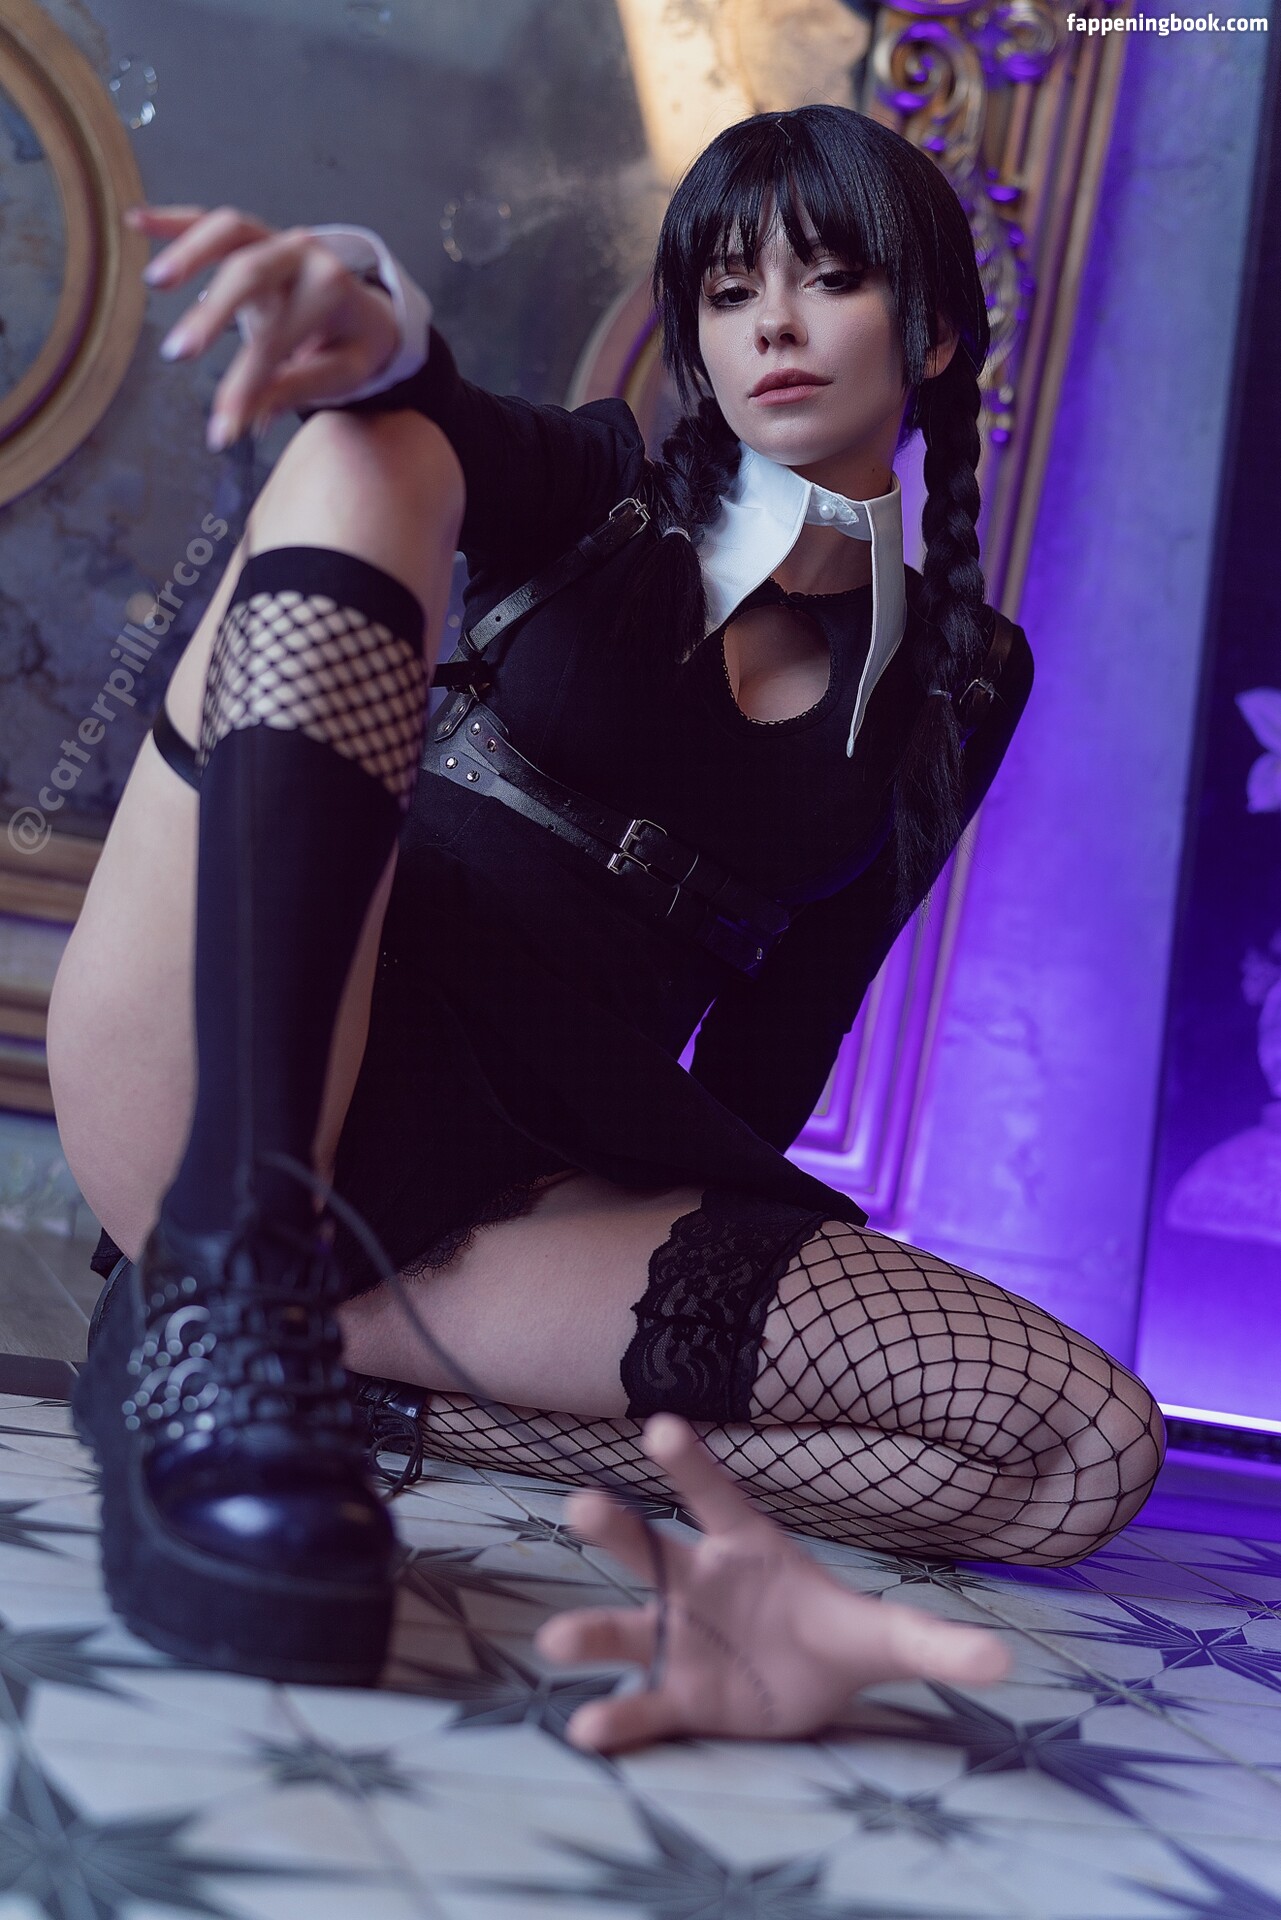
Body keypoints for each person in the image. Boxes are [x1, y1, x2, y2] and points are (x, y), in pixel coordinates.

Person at [49, 106, 1164, 1746]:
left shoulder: (963, 673)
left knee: (1082, 1453)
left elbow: (797, 1012)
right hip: (267, 1041)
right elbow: (427, 408)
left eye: (829, 278)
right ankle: (232, 1284)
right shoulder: (598, 493)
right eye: (727, 290)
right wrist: (371, 314)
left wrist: (730, 1287)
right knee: (369, 451)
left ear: (930, 333)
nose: (771, 324)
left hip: (530, 1179)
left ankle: (315, 1372)